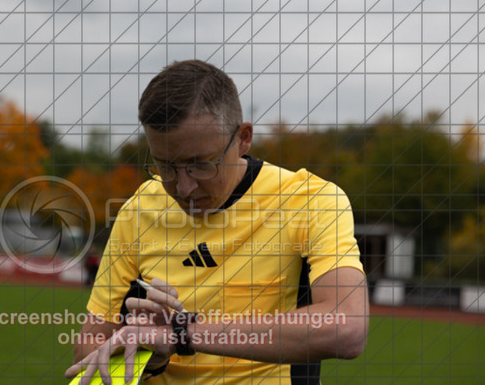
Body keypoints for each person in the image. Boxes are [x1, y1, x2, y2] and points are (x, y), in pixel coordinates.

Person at [66, 60, 368, 384]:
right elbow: (86, 353)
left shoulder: (309, 201)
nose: (183, 188)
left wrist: (182, 333)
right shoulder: (137, 210)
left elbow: (347, 328)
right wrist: (148, 355)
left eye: (200, 165)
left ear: (243, 139)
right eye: (165, 167)